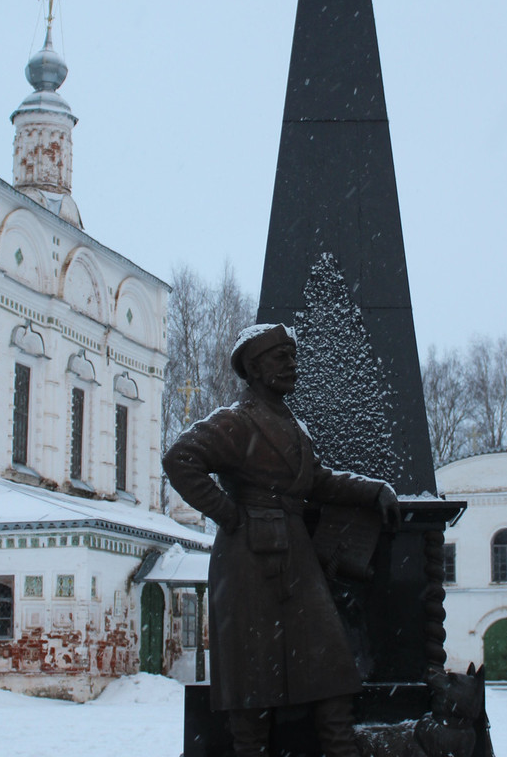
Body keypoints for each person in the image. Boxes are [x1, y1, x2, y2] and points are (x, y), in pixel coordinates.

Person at [162, 323, 400, 757]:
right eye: (281, 358)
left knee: (332, 674)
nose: (292, 365)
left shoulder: (294, 426)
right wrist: (229, 514)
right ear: (254, 369)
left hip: (296, 559)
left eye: (293, 356)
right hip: (248, 562)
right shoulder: (236, 422)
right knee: (252, 685)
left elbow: (319, 482)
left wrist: (373, 489)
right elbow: (180, 459)